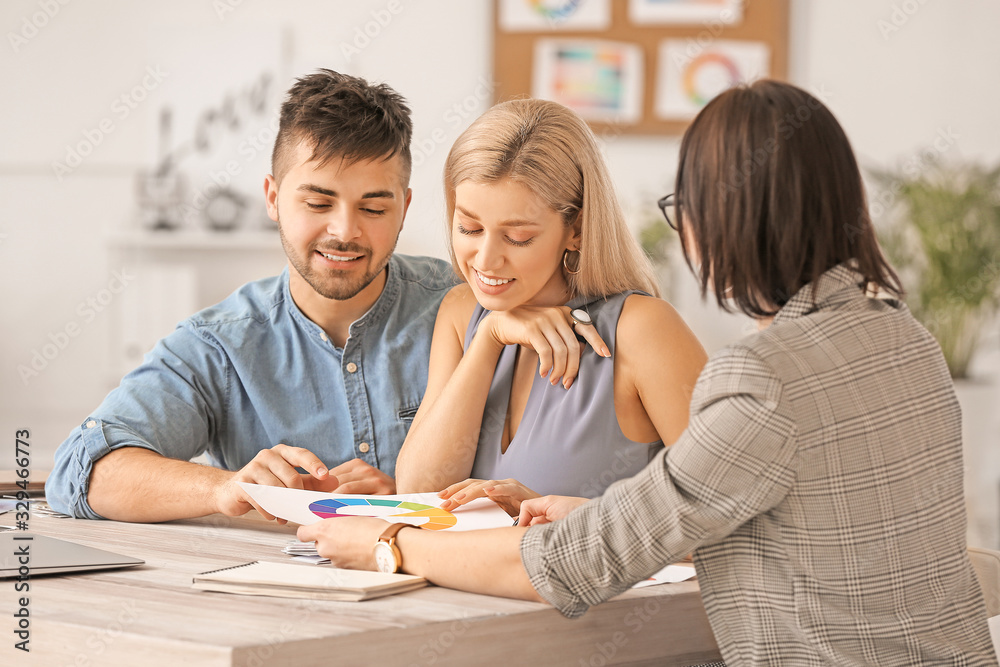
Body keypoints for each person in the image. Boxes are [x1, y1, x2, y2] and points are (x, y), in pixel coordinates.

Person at [299, 81, 999, 666]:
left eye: (687, 207)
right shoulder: (905, 338)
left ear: (728, 223)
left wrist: (390, 542)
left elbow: (576, 563)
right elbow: (737, 509)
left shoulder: (760, 376)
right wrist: (598, 510)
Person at [45, 70, 456, 522]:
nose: (344, 231)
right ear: (273, 197)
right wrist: (227, 486)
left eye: (374, 208)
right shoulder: (220, 343)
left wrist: (412, 498)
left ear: (404, 207)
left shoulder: (463, 307)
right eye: (318, 204)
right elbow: (77, 473)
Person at [392, 98, 707, 513]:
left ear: (575, 229)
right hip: (457, 580)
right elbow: (418, 492)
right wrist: (489, 337)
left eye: (517, 237)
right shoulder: (461, 312)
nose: (485, 260)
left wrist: (570, 516)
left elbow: (731, 511)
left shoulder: (643, 330)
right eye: (469, 227)